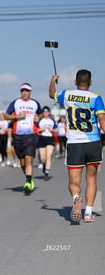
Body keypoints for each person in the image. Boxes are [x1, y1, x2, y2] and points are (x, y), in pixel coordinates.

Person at [49, 70, 105, 223]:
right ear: (90, 82)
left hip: (74, 144)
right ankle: (88, 213)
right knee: (91, 178)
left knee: (74, 181)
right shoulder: (96, 97)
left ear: (75, 82)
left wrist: (53, 80)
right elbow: (102, 120)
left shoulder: (67, 94)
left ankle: (76, 197)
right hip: (93, 142)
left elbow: (51, 93)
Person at [4, 83, 43, 195]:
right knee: (22, 162)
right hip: (18, 135)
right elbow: (6, 116)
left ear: (30, 92)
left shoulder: (35, 103)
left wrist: (38, 117)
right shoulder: (16, 103)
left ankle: (29, 181)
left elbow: (40, 114)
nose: (24, 92)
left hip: (31, 134)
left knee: (29, 159)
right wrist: (17, 116)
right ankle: (28, 177)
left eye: (26, 90)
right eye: (22, 90)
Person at [36, 106, 57, 181]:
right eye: (44, 112)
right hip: (42, 138)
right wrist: (41, 129)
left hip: (50, 138)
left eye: (47, 112)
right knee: (43, 158)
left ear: (49, 112)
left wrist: (52, 130)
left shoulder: (52, 121)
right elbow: (36, 130)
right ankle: (44, 166)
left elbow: (56, 130)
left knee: (48, 156)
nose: (46, 113)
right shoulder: (40, 121)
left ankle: (47, 172)